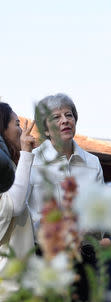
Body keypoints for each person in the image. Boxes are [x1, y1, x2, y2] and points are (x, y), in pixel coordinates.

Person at [28, 94, 111, 299]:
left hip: (88, 257)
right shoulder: (31, 162)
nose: (64, 120)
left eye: (68, 115)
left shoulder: (92, 162)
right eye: (56, 117)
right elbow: (27, 213)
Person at [0, 102, 36, 300]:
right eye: (16, 123)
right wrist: (26, 153)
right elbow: (14, 205)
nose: (21, 129)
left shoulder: (12, 165)